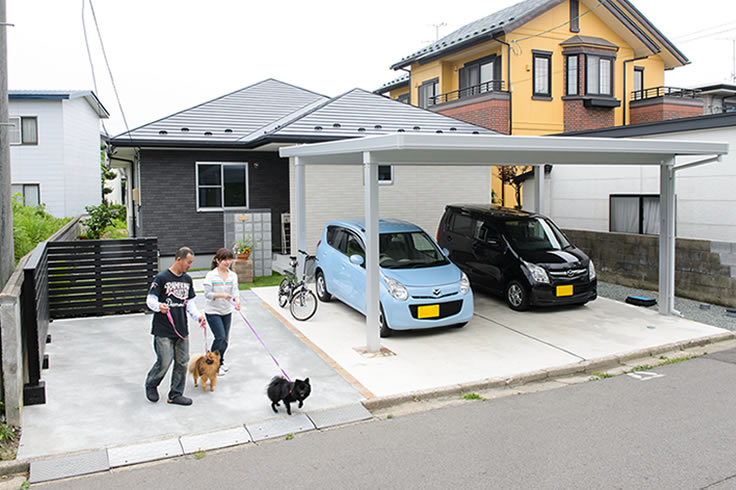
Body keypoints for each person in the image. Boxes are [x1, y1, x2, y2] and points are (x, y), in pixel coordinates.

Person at [144, 247, 206, 406]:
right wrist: (159, 306)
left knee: (182, 362)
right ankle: (151, 384)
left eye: (191, 262)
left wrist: (198, 316)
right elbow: (150, 300)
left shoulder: (187, 280)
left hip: (181, 329)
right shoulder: (161, 278)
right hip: (163, 329)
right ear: (179, 259)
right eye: (188, 262)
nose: (190, 265)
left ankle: (175, 394)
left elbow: (189, 303)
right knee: (165, 361)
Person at [203, 247, 240, 376]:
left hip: (226, 311)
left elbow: (235, 291)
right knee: (220, 337)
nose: (227, 262)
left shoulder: (232, 275)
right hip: (212, 311)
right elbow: (207, 294)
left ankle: (220, 362)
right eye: (224, 259)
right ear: (218, 260)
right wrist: (222, 295)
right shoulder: (211, 275)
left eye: (229, 259)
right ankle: (212, 362)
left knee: (225, 340)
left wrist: (237, 301)